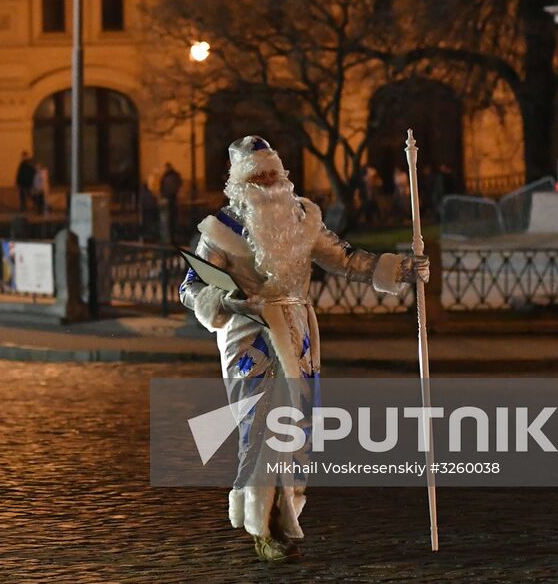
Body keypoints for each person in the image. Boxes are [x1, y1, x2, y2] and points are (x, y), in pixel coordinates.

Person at [180, 136, 427, 563]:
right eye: (258, 176)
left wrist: (401, 269)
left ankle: (286, 514)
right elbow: (191, 287)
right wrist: (227, 302)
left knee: (295, 429)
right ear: (241, 181)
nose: (269, 182)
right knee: (258, 429)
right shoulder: (221, 230)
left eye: (273, 173)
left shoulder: (303, 218)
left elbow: (348, 259)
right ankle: (265, 527)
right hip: (249, 335)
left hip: (299, 333)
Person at [159, 163, 183, 240]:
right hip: (170, 197)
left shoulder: (168, 176)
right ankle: (172, 234)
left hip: (170, 197)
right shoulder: (170, 176)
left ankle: (171, 234)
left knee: (170, 216)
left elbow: (162, 186)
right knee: (171, 216)